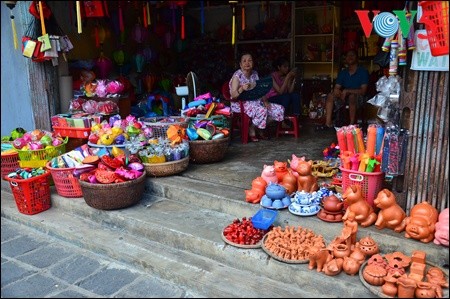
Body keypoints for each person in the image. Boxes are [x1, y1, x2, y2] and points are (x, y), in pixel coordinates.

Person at [229, 53, 285, 142]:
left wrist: (265, 101)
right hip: (241, 103)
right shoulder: (237, 76)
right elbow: (233, 95)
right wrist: (242, 88)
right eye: (244, 61)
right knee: (262, 110)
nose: (247, 63)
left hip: (256, 102)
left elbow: (260, 90)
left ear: (253, 63)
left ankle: (254, 127)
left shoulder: (254, 74)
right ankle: (253, 131)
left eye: (250, 60)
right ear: (240, 64)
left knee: (279, 109)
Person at [322, 49, 369, 129]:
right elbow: (337, 87)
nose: (350, 57)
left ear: (356, 58)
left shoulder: (363, 72)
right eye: (348, 56)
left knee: (352, 97)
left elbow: (363, 91)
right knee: (330, 96)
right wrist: (337, 91)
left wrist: (347, 91)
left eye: (352, 55)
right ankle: (328, 123)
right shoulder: (343, 72)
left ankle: (351, 125)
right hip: (344, 96)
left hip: (359, 97)